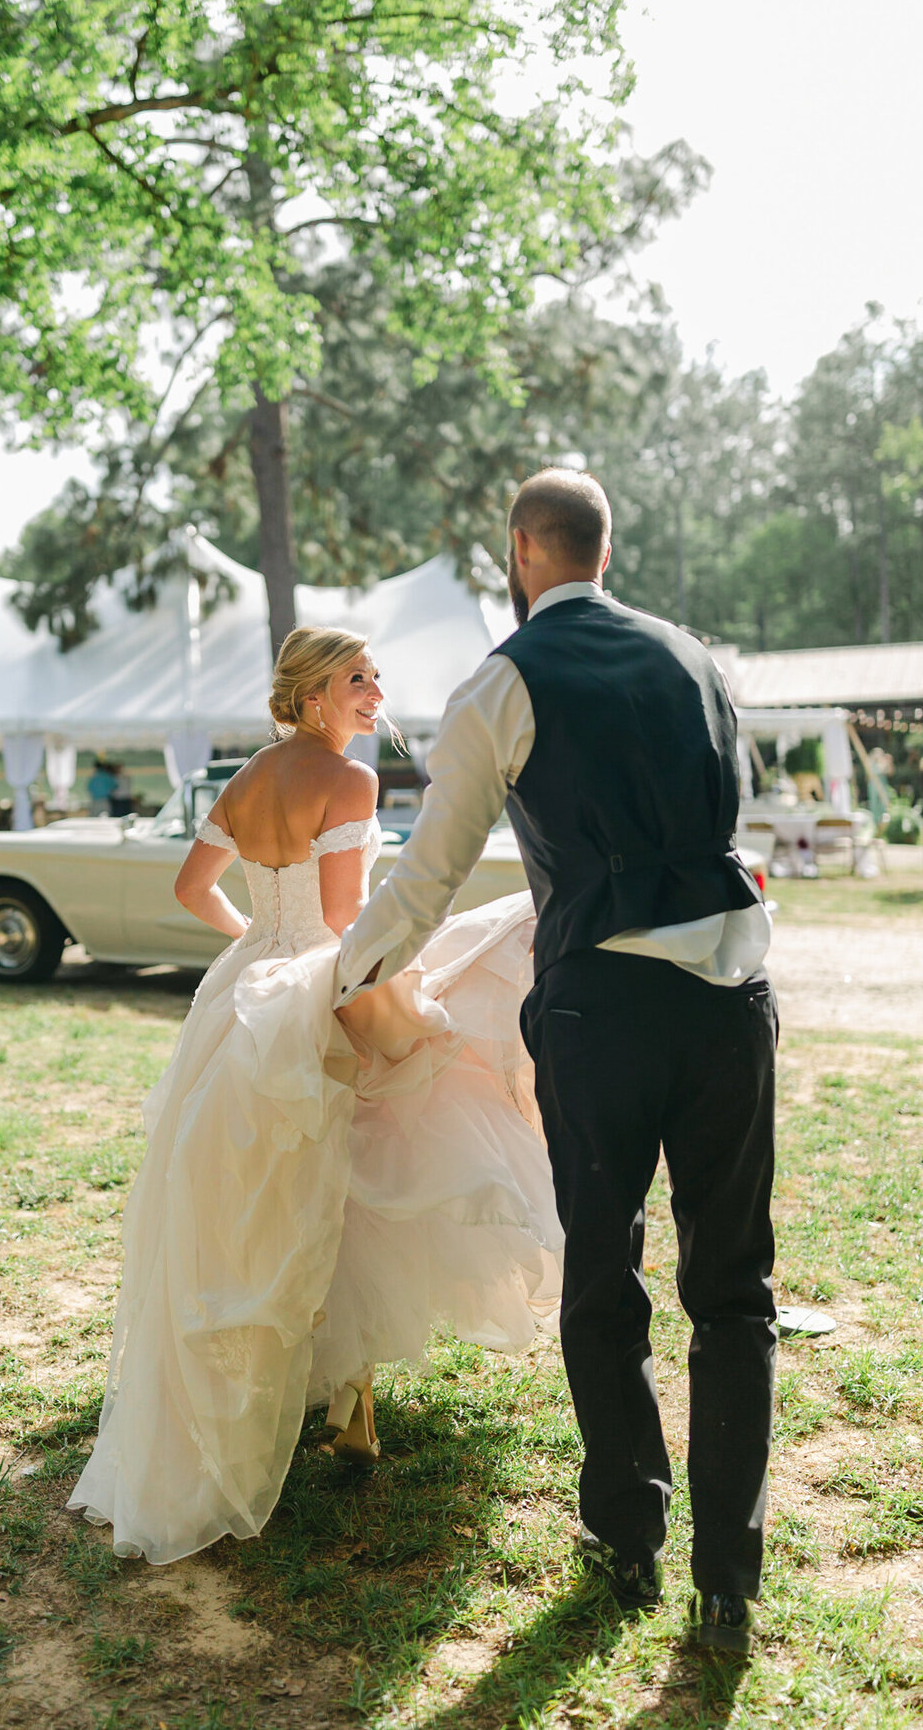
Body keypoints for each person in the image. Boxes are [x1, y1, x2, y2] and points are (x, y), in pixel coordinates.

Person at [337, 469, 777, 1655]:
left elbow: (429, 875)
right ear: (606, 544)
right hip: (734, 997)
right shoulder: (700, 658)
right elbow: (735, 816)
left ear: (525, 550)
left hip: (600, 1010)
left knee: (607, 1267)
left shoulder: (505, 682)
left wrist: (347, 970)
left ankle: (627, 1534)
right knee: (735, 1287)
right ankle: (727, 1577)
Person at [68, 627, 562, 1564]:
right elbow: (345, 924)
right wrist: (365, 970)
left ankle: (342, 1397)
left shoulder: (251, 775)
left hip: (242, 996)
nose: (377, 691)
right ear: (311, 696)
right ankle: (347, 1397)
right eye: (355, 679)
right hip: (315, 989)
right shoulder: (352, 781)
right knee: (359, 1172)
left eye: (377, 675)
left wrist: (253, 941)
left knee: (284, 1193)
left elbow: (190, 884)